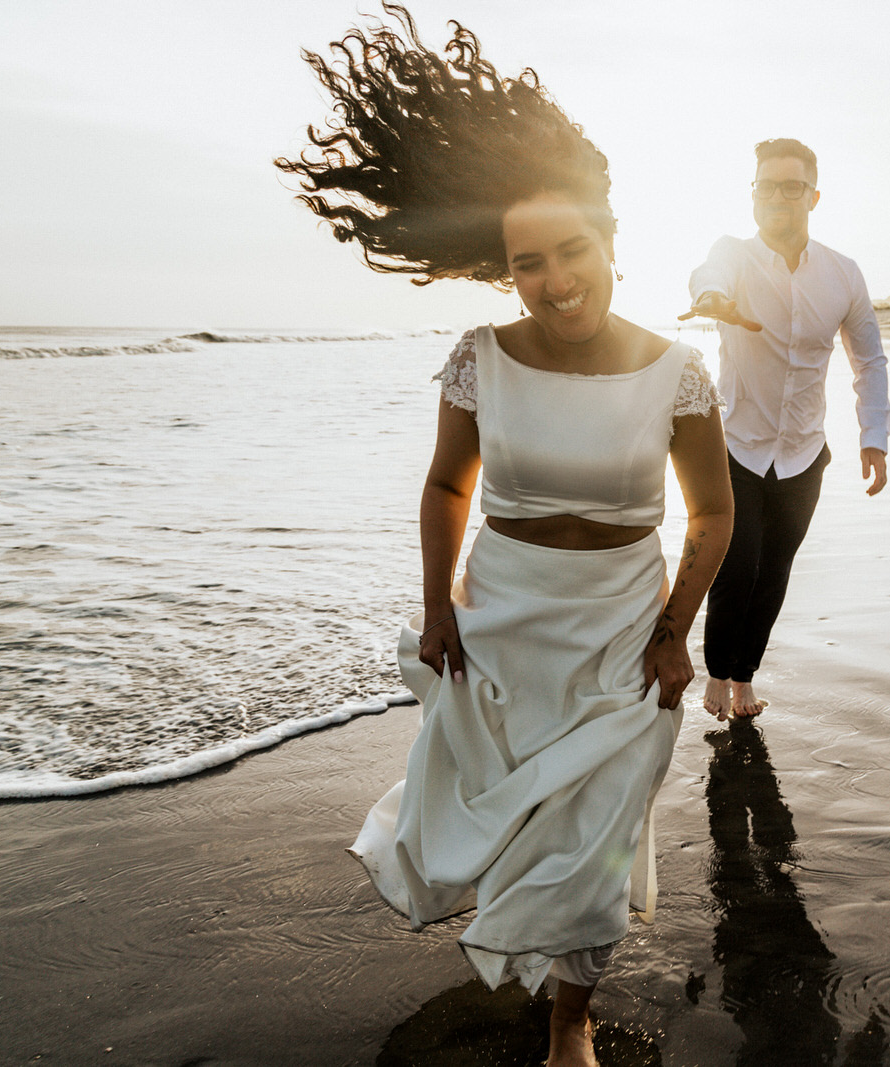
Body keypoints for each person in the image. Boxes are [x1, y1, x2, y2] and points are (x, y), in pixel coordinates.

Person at [275, 8, 733, 1065]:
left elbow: (711, 512)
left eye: (572, 250)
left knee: (599, 826)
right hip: (505, 620)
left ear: (613, 240)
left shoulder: (678, 372)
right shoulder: (480, 356)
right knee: (521, 820)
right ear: (506, 268)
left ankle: (570, 1018)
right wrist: (440, 607)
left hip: (624, 627)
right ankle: (529, 946)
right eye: (529, 261)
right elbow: (446, 482)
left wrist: (673, 631)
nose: (555, 277)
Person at [680, 138, 890, 722]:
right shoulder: (733, 255)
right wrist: (710, 297)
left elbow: (868, 359)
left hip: (804, 453)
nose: (776, 196)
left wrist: (872, 435)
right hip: (736, 445)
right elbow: (708, 274)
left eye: (790, 186)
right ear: (752, 195)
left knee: (774, 572)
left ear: (813, 196)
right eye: (764, 185)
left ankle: (745, 679)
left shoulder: (843, 275)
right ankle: (718, 674)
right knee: (737, 562)